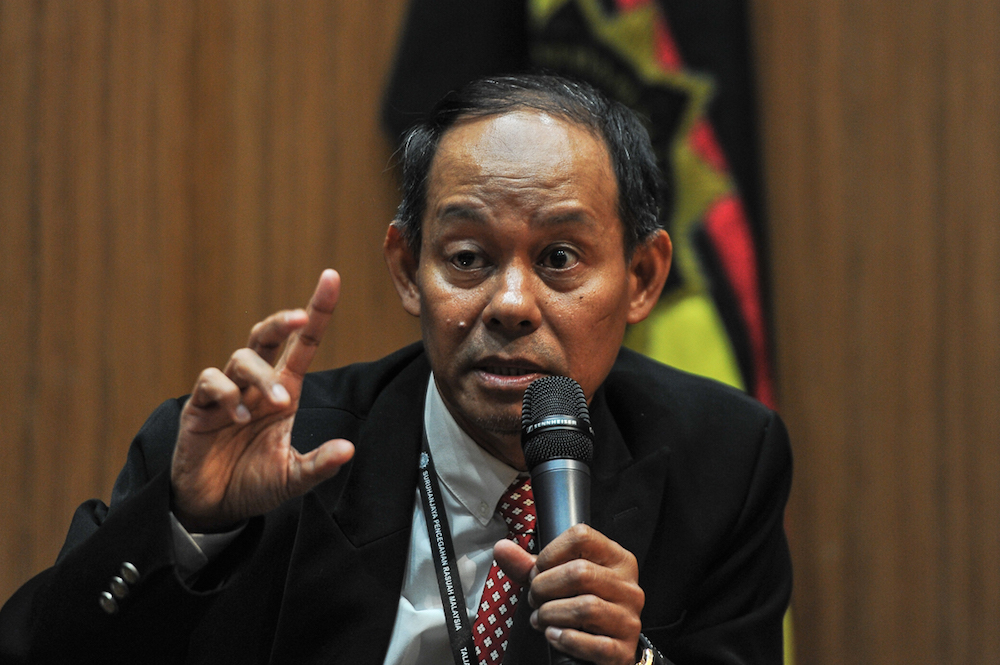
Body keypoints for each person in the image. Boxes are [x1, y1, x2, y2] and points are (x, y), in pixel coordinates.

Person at [0, 74, 791, 665]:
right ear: (409, 270)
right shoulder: (255, 463)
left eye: (558, 258)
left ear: (644, 278)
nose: (511, 303)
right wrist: (191, 526)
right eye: (469, 257)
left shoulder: (722, 462)